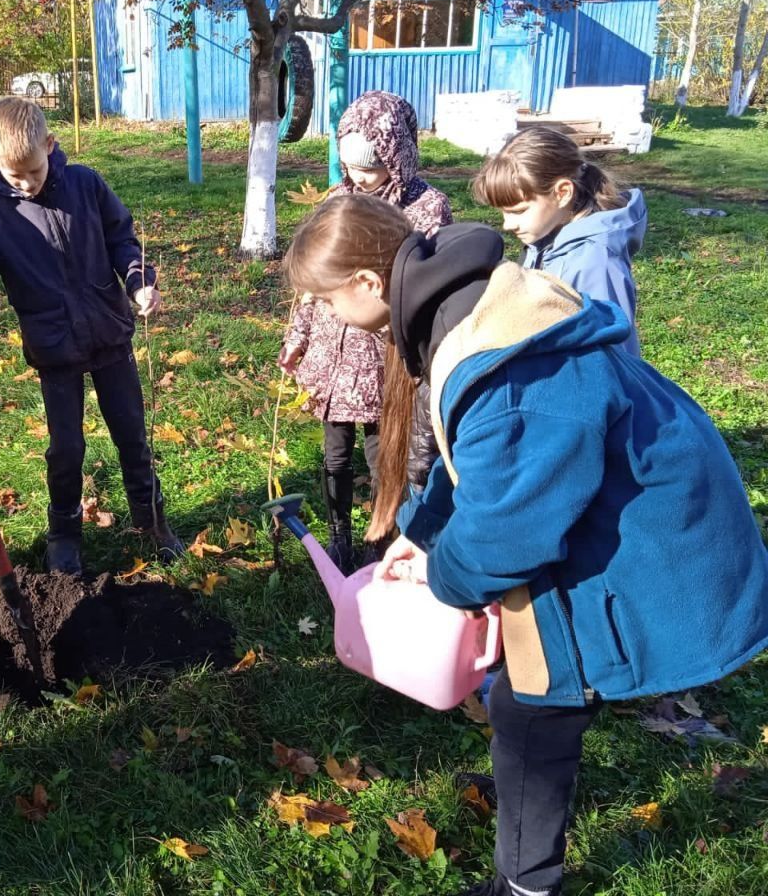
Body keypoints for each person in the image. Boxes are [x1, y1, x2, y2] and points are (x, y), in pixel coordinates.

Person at [282, 192, 768, 896]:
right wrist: (417, 535)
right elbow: (478, 462)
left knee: (533, 712)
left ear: (364, 285)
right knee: (526, 705)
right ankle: (526, 783)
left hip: (645, 535)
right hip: (605, 506)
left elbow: (513, 528)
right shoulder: (463, 304)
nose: (324, 315)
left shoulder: (498, 364)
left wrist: (445, 582)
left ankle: (527, 884)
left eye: (324, 300)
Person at [0, 96, 183, 577]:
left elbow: (122, 239)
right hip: (55, 351)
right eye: (12, 175)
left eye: (33, 170)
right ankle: (63, 534)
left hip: (110, 337)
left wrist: (138, 281)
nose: (25, 183)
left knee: (132, 434)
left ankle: (152, 521)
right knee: (66, 448)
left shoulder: (86, 186)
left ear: (51, 144)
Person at [278, 91, 451, 570]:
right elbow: (314, 284)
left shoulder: (425, 208)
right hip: (333, 359)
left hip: (382, 361)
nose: (359, 177)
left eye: (371, 166)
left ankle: (387, 535)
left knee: (384, 457)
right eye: (350, 165)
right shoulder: (340, 199)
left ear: (396, 154)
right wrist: (299, 337)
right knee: (335, 454)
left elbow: (420, 293)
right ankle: (340, 536)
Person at [472, 125, 644, 356]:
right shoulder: (543, 242)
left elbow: (614, 359)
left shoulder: (595, 263)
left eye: (519, 211)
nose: (507, 224)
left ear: (562, 193)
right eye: (503, 212)